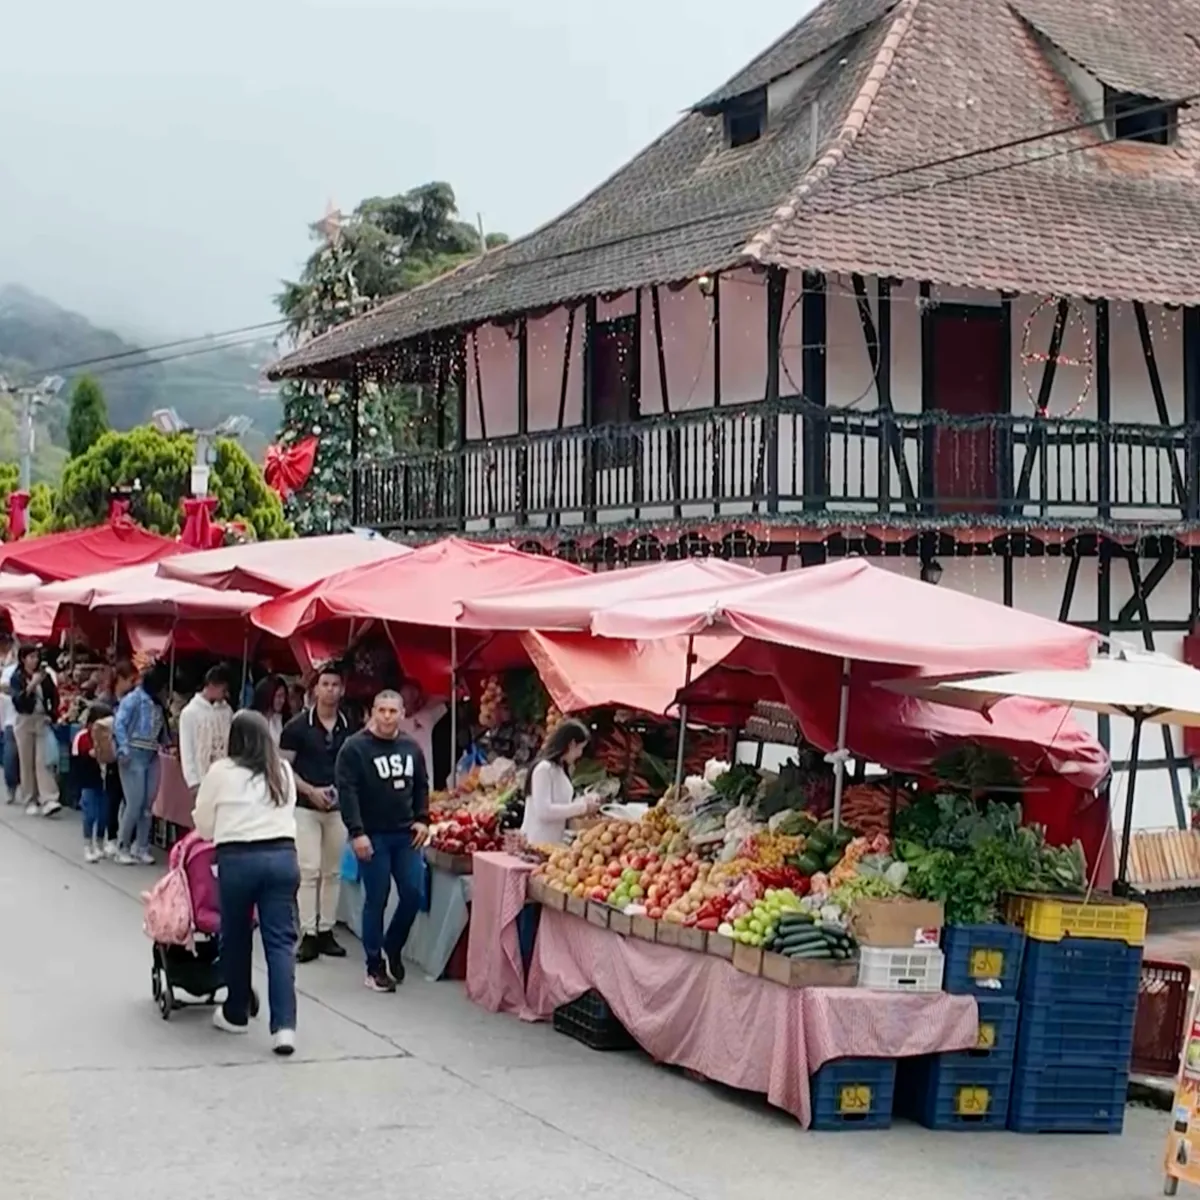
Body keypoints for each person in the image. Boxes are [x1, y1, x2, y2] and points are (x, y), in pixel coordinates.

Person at [192, 710, 300, 1057]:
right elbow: (290, 808)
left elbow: (204, 823)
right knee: (280, 943)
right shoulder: (281, 769)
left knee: (235, 937)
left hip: (238, 860)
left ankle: (236, 1011)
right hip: (283, 857)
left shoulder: (221, 772)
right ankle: (284, 1027)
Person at [336, 689, 430, 993]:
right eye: (382, 710)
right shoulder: (355, 748)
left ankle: (393, 945)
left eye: (393, 711)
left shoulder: (411, 747)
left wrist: (423, 818)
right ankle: (374, 966)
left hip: (405, 834)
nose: (387, 716)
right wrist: (356, 832)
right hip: (372, 834)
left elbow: (421, 785)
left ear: (402, 714)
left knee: (414, 894)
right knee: (376, 898)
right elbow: (347, 792)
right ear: (372, 712)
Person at [280, 663, 351, 963]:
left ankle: (326, 930)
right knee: (309, 870)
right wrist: (310, 790)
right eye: (325, 684)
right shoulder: (296, 727)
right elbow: (284, 768)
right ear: (315, 689)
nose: (330, 690)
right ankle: (308, 933)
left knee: (333, 871)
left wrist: (339, 790)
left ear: (342, 689)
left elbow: (354, 767)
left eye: (335, 685)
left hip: (338, 809)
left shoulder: (351, 727)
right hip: (305, 808)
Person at [113, 663, 171, 865]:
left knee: (147, 804)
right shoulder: (133, 700)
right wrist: (124, 748)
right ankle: (123, 845)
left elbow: (162, 729)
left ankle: (142, 846)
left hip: (152, 754)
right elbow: (119, 723)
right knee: (134, 803)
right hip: (133, 754)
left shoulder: (157, 704)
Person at [520, 719, 599, 845]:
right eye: (581, 748)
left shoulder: (560, 769)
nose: (580, 754)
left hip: (552, 843)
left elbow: (562, 804)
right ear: (572, 744)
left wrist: (584, 801)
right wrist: (582, 807)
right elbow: (544, 811)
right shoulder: (544, 769)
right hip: (536, 843)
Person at [10, 644, 61, 817]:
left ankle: (49, 798)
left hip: (41, 720)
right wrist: (31, 685)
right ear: (23, 659)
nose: (34, 660)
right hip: (24, 720)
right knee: (27, 761)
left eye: (36, 657)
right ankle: (29, 798)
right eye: (31, 657)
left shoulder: (45, 677)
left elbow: (54, 697)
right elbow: (19, 701)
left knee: (43, 760)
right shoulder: (17, 677)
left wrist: (52, 715)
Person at [100, 661, 137, 857]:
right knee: (114, 796)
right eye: (130, 680)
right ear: (120, 680)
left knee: (128, 798)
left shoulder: (134, 701)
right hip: (114, 755)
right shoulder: (107, 702)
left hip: (130, 754)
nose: (133, 685)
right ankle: (112, 837)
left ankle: (127, 838)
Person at [179, 665, 233, 793]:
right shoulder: (190, 712)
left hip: (224, 776)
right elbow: (187, 749)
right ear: (212, 685)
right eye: (223, 689)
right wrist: (192, 781)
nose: (225, 694)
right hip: (201, 776)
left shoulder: (227, 711)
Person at [72, 703, 113, 863]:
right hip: (88, 781)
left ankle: (101, 843)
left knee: (104, 814)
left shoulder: (110, 738)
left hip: (105, 780)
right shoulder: (82, 737)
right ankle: (88, 844)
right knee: (90, 813)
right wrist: (89, 757)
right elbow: (75, 762)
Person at [397, 678, 448, 789]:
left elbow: (445, 701)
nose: (405, 707)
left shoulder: (428, 714)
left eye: (408, 701)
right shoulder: (395, 721)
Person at [0, 635, 19, 804]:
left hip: (30, 719)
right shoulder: (9, 671)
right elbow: (3, 688)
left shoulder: (43, 672)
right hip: (11, 720)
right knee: (10, 755)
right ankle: (11, 788)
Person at [251, 675, 289, 745]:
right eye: (279, 696)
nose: (282, 700)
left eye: (284, 696)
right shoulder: (252, 720)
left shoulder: (279, 719)